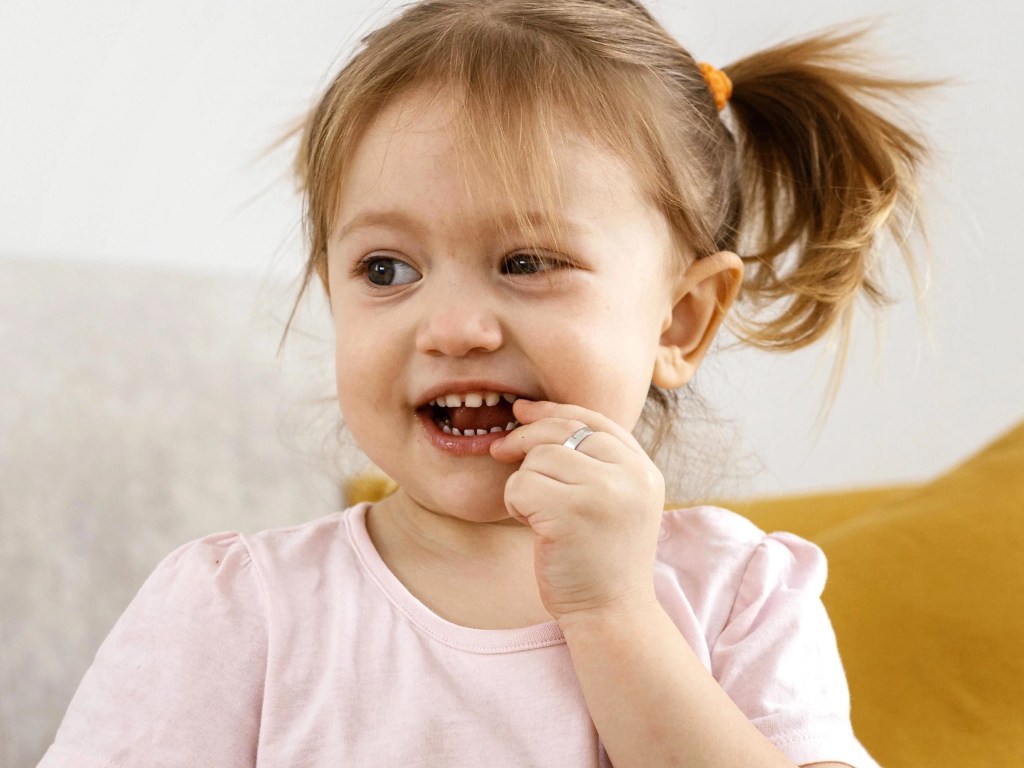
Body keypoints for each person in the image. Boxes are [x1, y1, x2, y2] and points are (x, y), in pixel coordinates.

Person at [39, 1, 944, 766]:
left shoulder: (736, 596)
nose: (453, 328)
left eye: (526, 261)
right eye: (387, 270)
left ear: (680, 320)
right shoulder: (238, 610)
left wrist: (614, 614)